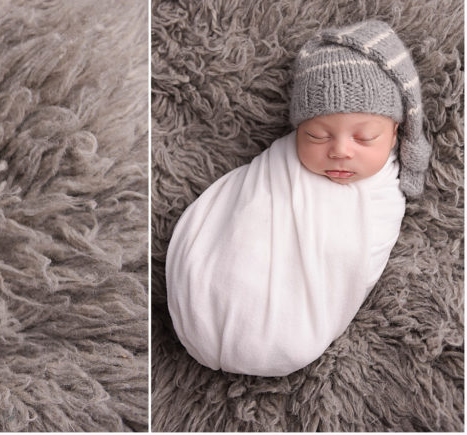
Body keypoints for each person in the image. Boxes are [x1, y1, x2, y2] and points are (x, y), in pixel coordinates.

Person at [165, 20, 430, 377]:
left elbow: (352, 258)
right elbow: (245, 209)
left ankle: (260, 336)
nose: (339, 151)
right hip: (207, 298)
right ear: (297, 130)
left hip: (279, 335)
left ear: (395, 132)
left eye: (364, 137)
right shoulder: (281, 163)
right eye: (317, 135)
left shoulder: (382, 194)